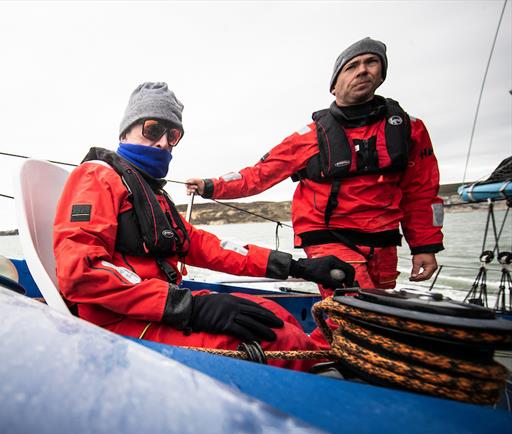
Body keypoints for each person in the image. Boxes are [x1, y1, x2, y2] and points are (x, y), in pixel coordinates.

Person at [52, 82, 354, 367]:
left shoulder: (151, 193)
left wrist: (296, 267)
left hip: (160, 308)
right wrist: (190, 308)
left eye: (172, 135)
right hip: (116, 322)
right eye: (152, 129)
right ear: (125, 133)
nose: (161, 142)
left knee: (276, 314)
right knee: (281, 340)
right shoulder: (97, 177)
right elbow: (81, 270)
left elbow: (207, 246)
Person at [186, 37, 444, 298]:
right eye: (352, 66)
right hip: (327, 236)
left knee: (375, 310)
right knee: (356, 307)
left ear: (382, 74)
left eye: (371, 63)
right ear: (334, 85)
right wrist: (211, 185)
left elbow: (421, 193)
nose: (363, 70)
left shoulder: (410, 130)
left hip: (383, 242)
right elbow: (259, 174)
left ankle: (323, 338)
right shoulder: (308, 137)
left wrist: (425, 245)